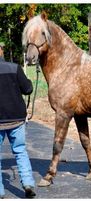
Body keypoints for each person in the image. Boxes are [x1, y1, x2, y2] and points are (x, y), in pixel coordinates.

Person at [0, 42, 36, 198]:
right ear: (1, 51)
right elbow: (28, 89)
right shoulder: (14, 68)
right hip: (16, 118)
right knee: (20, 151)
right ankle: (27, 183)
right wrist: (27, 80)